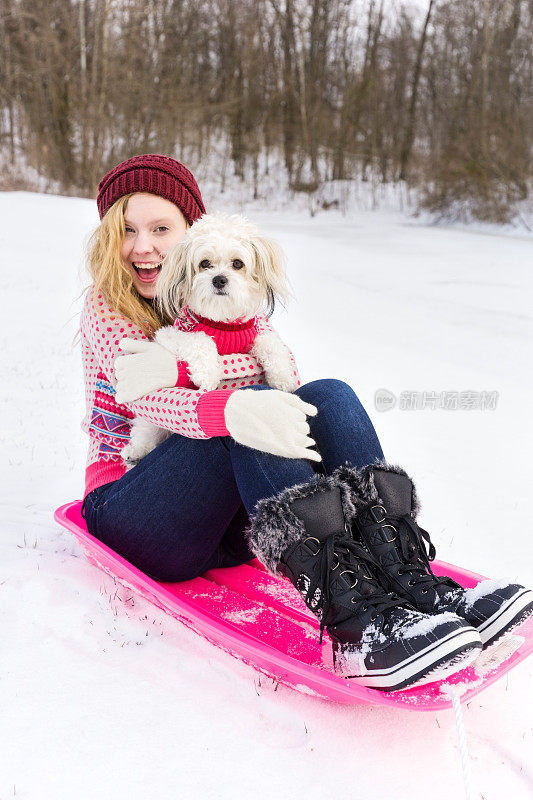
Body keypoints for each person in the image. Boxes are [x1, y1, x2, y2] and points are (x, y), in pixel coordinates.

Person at [79, 154, 532, 691]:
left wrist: (245, 396)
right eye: (127, 230)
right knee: (249, 410)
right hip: (134, 508)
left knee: (327, 397)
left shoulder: (226, 298)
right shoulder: (105, 307)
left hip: (230, 522)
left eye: (161, 229)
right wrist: (235, 405)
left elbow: (283, 372)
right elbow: (151, 400)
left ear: (192, 233)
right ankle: (356, 633)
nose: (143, 246)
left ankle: (413, 583)